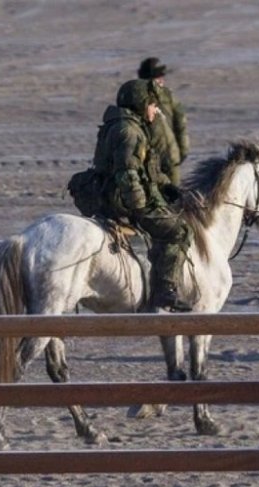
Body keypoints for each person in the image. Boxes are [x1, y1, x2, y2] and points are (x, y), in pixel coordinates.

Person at [92, 79, 195, 312]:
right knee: (179, 231)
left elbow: (147, 170)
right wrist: (140, 207)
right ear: (141, 104)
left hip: (117, 195)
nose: (155, 110)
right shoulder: (129, 132)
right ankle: (165, 291)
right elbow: (128, 173)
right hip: (122, 201)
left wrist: (168, 187)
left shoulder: (127, 126)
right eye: (152, 105)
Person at [138, 57, 189, 185]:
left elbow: (180, 123)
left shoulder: (167, 95)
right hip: (149, 161)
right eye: (157, 77)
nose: (161, 80)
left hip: (171, 157)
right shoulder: (137, 99)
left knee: (174, 193)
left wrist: (182, 150)